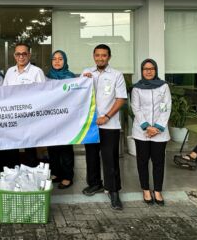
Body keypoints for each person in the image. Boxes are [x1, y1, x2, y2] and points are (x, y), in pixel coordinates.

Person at [80, 44, 127, 210]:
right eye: (97, 55)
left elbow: (121, 99)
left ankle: (113, 191)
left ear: (109, 57)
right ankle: (94, 184)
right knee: (91, 157)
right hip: (91, 125)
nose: (100, 58)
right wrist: (82, 81)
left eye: (104, 55)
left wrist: (106, 116)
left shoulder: (116, 75)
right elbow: (79, 94)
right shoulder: (87, 73)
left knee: (110, 159)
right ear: (93, 56)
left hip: (110, 125)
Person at [130, 59, 171, 205]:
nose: (148, 71)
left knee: (158, 162)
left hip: (160, 132)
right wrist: (147, 127)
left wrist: (157, 128)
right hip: (141, 131)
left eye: (152, 68)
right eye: (145, 69)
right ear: (142, 71)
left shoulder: (163, 86)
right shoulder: (136, 88)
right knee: (142, 161)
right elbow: (136, 108)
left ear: (156, 70)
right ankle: (146, 189)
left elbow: (165, 107)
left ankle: (158, 190)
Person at [2, 43, 46, 166]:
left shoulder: (37, 72)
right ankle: (13, 174)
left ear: (29, 55)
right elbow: (4, 94)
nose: (21, 57)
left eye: (24, 53)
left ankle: (31, 177)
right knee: (12, 148)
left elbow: (43, 96)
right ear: (14, 56)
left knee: (30, 150)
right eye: (18, 54)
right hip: (13, 117)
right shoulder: (10, 72)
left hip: (30, 118)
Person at [46, 50, 76, 190]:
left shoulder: (70, 78)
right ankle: (56, 173)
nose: (57, 61)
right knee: (52, 148)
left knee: (65, 149)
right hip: (51, 119)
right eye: (54, 59)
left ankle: (67, 176)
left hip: (66, 119)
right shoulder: (47, 78)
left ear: (65, 61)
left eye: (60, 59)